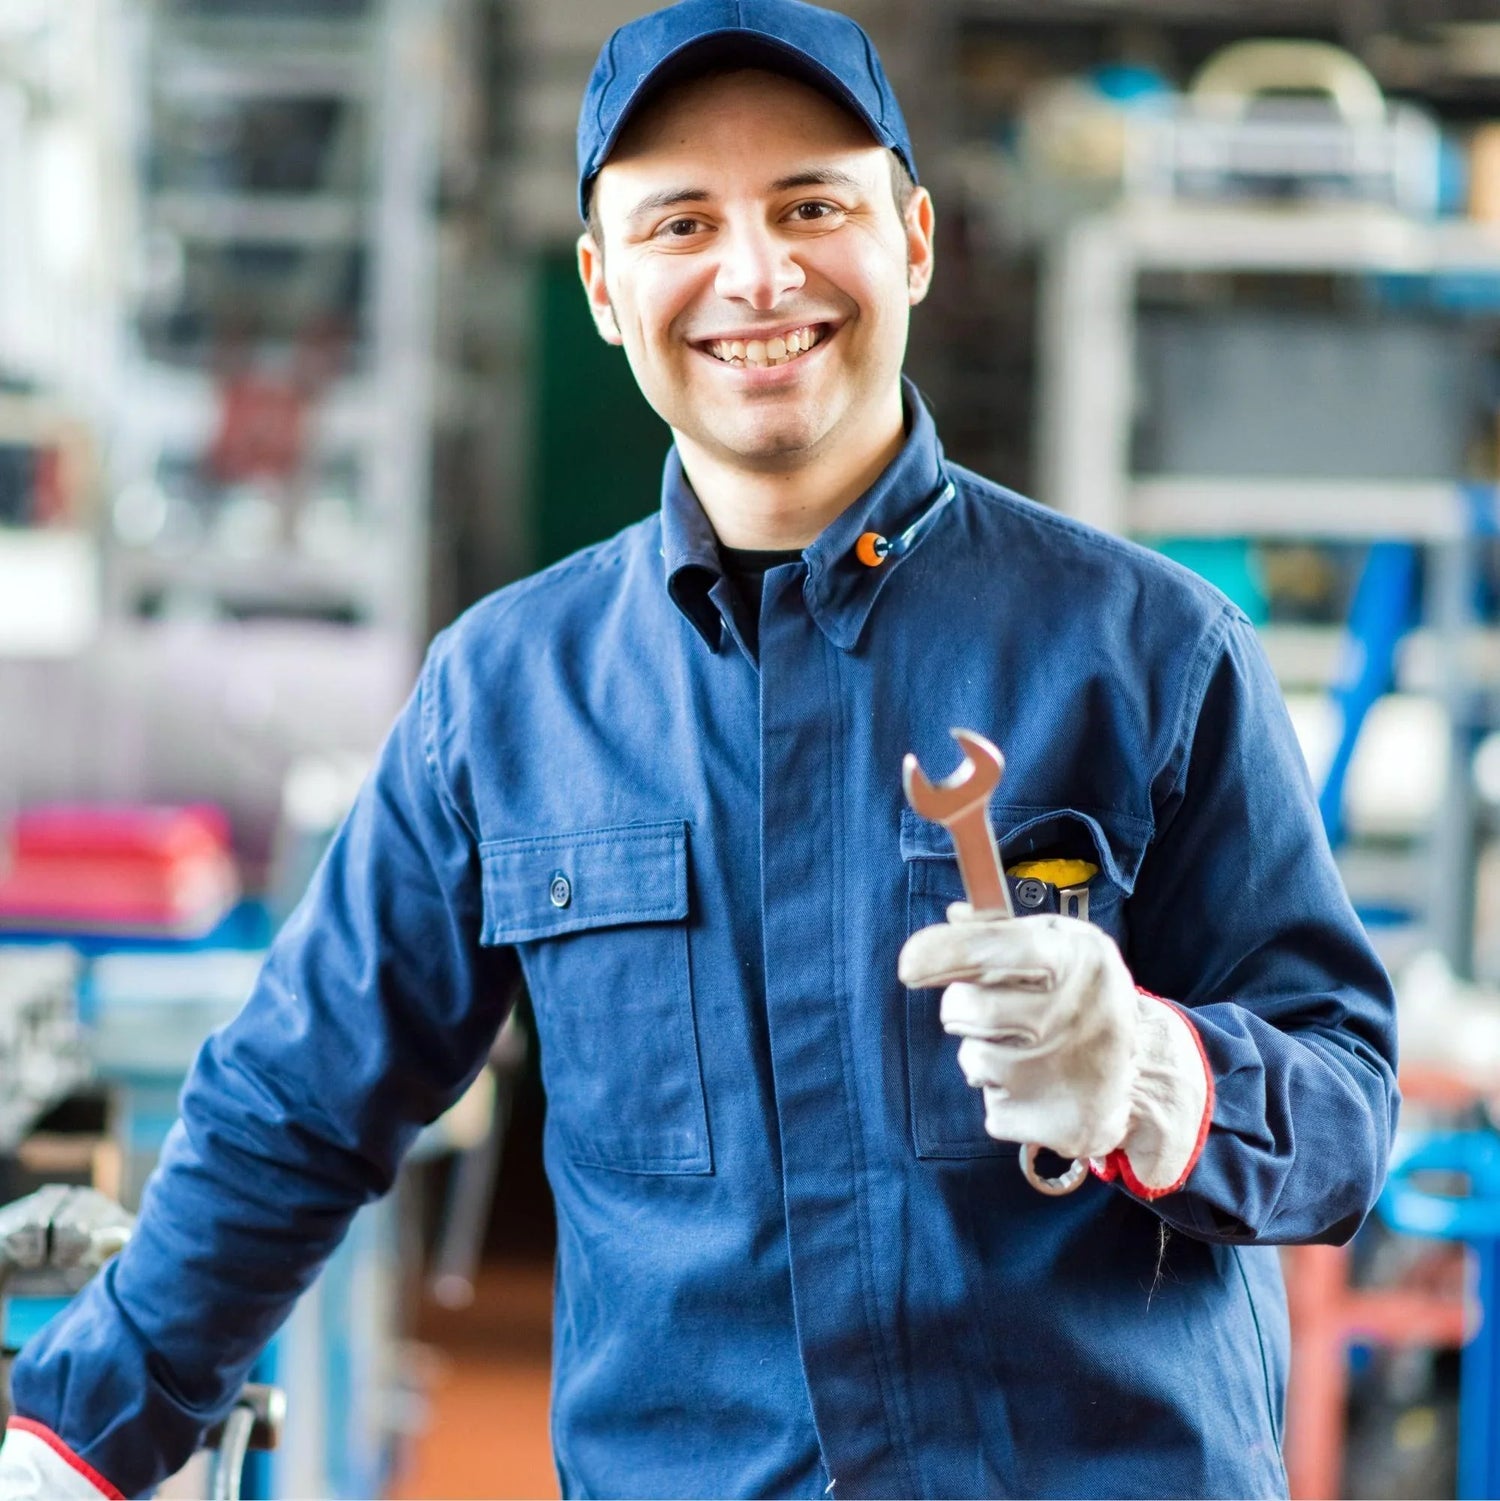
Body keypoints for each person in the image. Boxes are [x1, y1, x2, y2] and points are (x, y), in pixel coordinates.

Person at [0, 1, 1398, 1496]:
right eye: (682, 221)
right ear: (604, 285)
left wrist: (1154, 1075)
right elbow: (292, 1107)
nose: (755, 274)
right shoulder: (506, 696)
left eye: (814, 205)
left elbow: (1344, 1110)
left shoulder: (1150, 654)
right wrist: (74, 1440)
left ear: (913, 239)